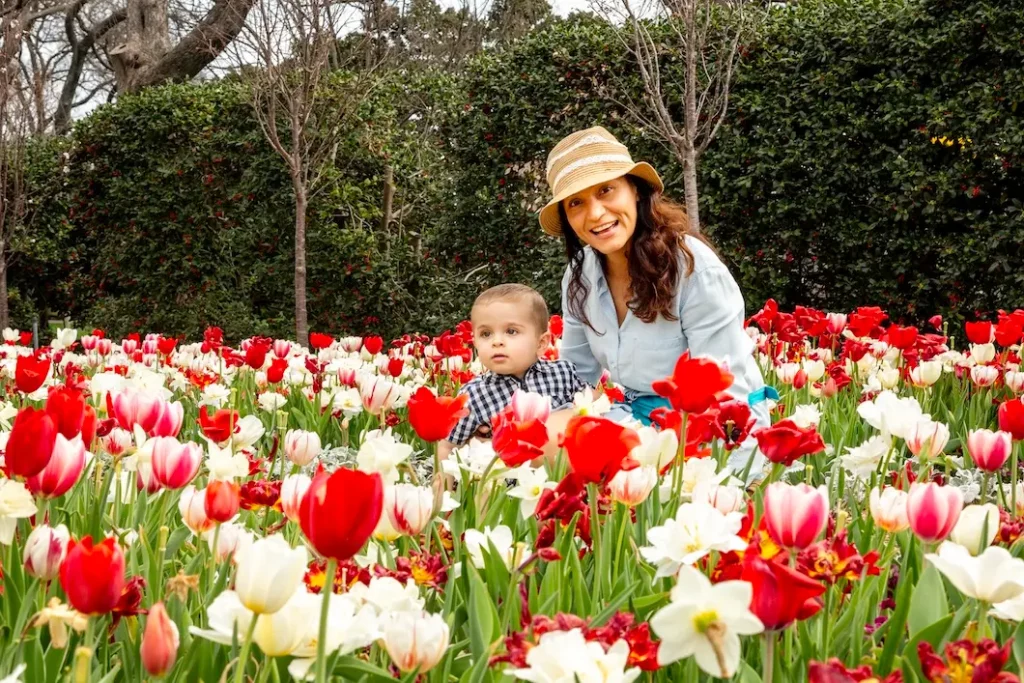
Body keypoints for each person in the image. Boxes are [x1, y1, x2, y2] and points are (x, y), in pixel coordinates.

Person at [537, 126, 775, 479]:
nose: (596, 213)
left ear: (634, 190)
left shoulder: (693, 268)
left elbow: (725, 393)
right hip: (636, 419)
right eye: (577, 203)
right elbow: (575, 380)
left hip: (716, 430)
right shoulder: (579, 277)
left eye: (606, 190)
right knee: (536, 443)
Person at [438, 283, 587, 461]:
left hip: (562, 475)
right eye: (486, 334)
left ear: (541, 343)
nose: (497, 341)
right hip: (508, 483)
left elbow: (592, 407)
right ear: (475, 342)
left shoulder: (563, 374)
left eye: (511, 331)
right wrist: (442, 487)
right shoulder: (474, 395)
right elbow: (448, 444)